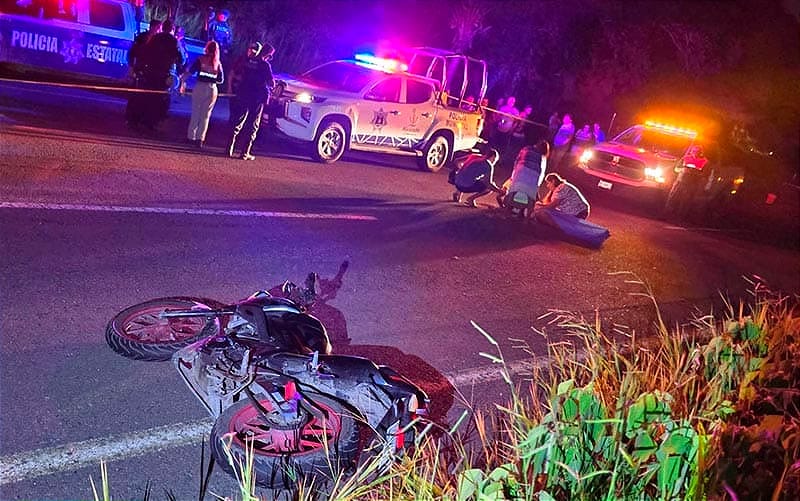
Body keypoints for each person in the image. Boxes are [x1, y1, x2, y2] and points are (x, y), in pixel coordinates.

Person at [227, 41, 275, 160]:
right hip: (257, 98)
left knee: (237, 121)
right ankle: (245, 153)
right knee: (253, 124)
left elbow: (240, 75)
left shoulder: (248, 61)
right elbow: (271, 82)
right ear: (268, 55)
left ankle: (229, 149)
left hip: (243, 93)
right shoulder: (265, 65)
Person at [180, 40, 224, 149]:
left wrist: (182, 81)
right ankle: (200, 140)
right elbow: (221, 79)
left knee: (196, 112)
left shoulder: (201, 59)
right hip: (212, 89)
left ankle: (191, 137)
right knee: (205, 116)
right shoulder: (218, 63)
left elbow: (190, 72)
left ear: (207, 48)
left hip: (200, 87)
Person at [142, 19, 183, 131]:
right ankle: (155, 122)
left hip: (151, 71)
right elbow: (181, 58)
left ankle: (146, 120)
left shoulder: (155, 38)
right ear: (172, 29)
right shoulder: (173, 41)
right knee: (162, 98)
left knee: (150, 95)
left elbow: (146, 52)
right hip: (165, 73)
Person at [498, 139, 550, 217]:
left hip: (521, 170)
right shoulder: (542, 156)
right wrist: (537, 185)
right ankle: (524, 216)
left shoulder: (527, 149)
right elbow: (541, 171)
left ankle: (507, 211)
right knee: (529, 195)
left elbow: (517, 160)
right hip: (533, 175)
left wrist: (514, 173)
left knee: (514, 191)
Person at [125, 20, 161, 129]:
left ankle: (145, 121)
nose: (159, 30)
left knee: (149, 97)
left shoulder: (159, 40)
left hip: (152, 72)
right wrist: (131, 68)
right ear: (153, 27)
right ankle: (131, 120)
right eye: (158, 28)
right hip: (140, 69)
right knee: (136, 95)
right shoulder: (142, 37)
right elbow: (132, 53)